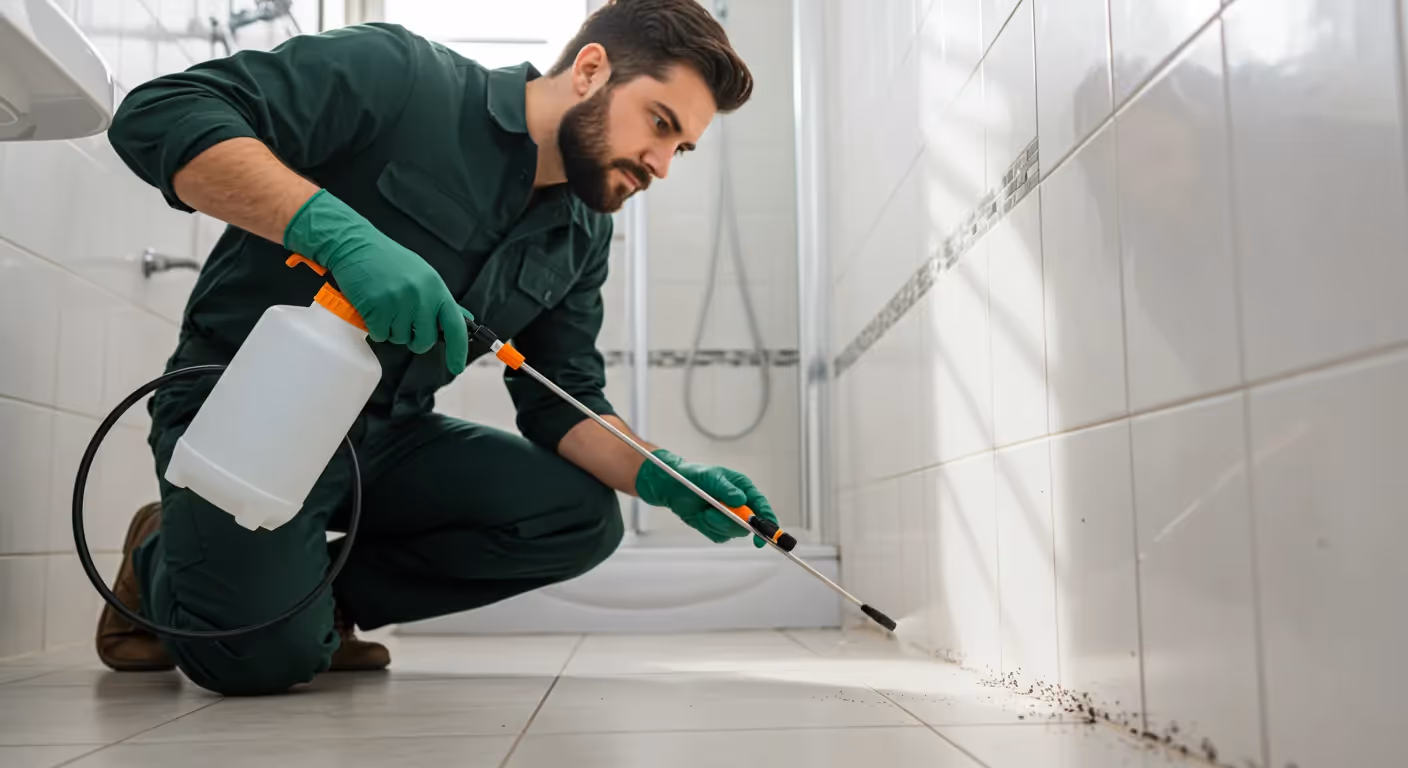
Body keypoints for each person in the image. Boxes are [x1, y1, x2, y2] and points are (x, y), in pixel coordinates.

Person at [97, 0, 777, 696]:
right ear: (591, 69)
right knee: (253, 665)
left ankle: (314, 607)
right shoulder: (403, 78)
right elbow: (160, 111)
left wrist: (662, 474)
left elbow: (562, 401)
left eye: (682, 148)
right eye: (660, 124)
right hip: (247, 412)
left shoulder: (582, 234)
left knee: (581, 517)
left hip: (387, 438)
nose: (661, 164)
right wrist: (335, 233)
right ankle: (166, 558)